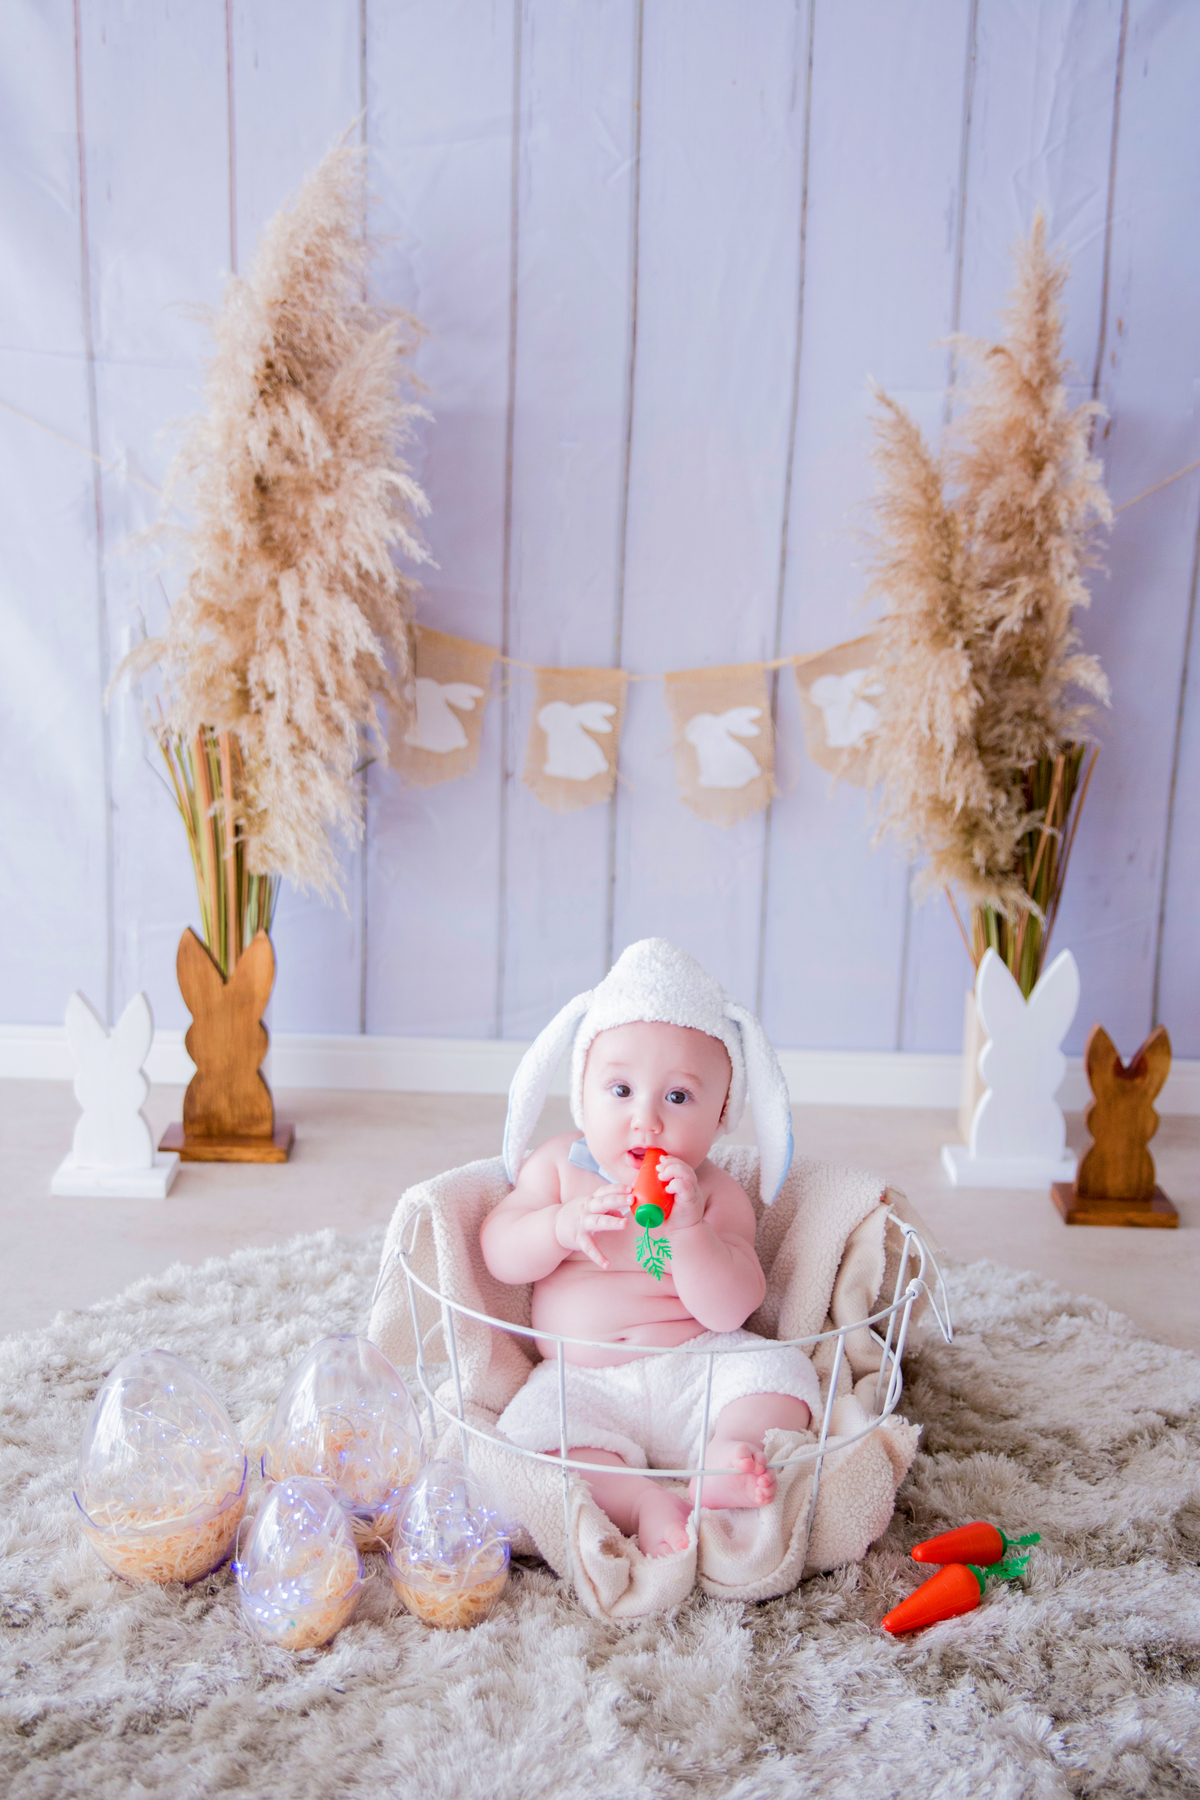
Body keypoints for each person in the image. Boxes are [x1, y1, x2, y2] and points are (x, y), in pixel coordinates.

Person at [481, 939, 819, 1558]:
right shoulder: (558, 1168)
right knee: (527, 1437)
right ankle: (641, 1501)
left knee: (784, 1377)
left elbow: (731, 1309)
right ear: (582, 1094)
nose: (647, 1120)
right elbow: (499, 1250)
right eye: (620, 1091)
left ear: (722, 1115)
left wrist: (690, 1233)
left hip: (699, 1366)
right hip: (583, 1383)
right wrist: (558, 1227)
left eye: (679, 1097)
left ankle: (722, 1456)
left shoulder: (715, 1193)